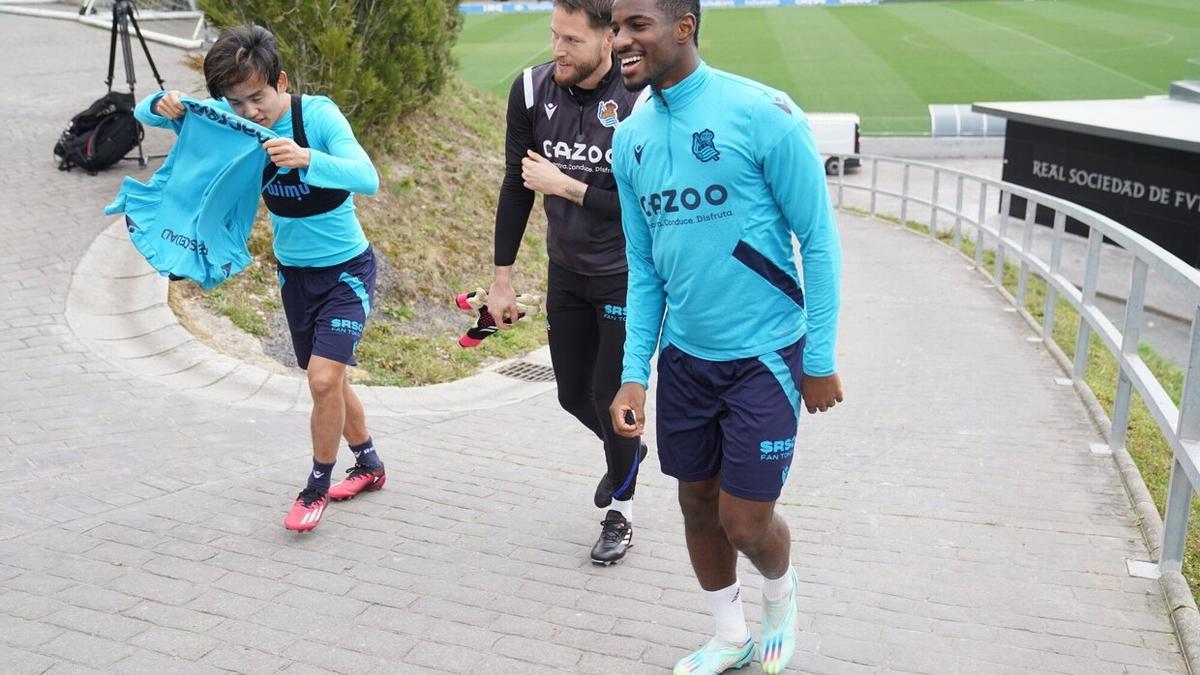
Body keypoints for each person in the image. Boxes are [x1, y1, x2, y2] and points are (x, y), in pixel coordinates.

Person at [607, 0, 844, 671]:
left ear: (684, 26)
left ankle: (779, 594)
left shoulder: (764, 114)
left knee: (745, 521)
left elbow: (819, 242)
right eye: (616, 28)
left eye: (636, 26)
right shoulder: (631, 138)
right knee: (695, 503)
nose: (621, 40)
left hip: (767, 355)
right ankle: (729, 633)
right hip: (686, 358)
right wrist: (636, 371)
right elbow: (644, 269)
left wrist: (819, 357)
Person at [137, 25, 386, 532]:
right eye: (236, 101)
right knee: (329, 380)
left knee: (321, 380)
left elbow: (367, 176)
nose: (250, 112)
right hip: (295, 275)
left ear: (281, 80)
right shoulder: (236, 122)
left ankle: (316, 486)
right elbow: (147, 114)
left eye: (257, 98)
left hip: (347, 272)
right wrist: (161, 103)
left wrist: (307, 158)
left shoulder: (314, 115)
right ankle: (370, 465)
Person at [488, 0, 650, 564]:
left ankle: (621, 515)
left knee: (612, 398)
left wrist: (567, 186)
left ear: (609, 40)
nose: (557, 50)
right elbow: (517, 185)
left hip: (627, 279)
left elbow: (644, 209)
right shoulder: (532, 91)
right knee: (569, 394)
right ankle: (626, 454)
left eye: (572, 41)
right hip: (567, 273)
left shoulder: (638, 101)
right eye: (554, 35)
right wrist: (500, 280)